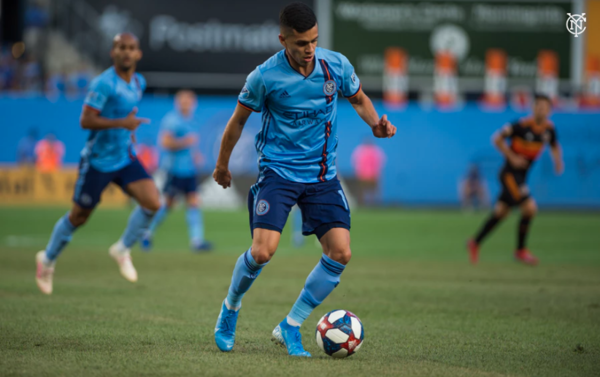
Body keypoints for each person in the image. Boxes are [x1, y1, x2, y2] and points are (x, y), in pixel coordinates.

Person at [212, 3, 396, 357]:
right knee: (263, 251)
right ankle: (230, 309)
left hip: (322, 175)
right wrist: (222, 165)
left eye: (313, 40)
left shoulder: (335, 65)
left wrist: (375, 124)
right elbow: (236, 122)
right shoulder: (264, 77)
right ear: (283, 40)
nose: (309, 49)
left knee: (340, 252)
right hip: (278, 172)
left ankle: (291, 324)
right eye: (300, 43)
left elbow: (358, 98)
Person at [35, 33, 160, 295]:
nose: (126, 52)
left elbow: (125, 114)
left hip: (124, 156)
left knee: (152, 202)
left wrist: (128, 129)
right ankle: (47, 260)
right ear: (113, 52)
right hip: (98, 161)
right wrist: (122, 124)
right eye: (121, 48)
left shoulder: (139, 82)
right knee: (79, 217)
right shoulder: (104, 83)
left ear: (138, 54)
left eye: (131, 48)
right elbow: (86, 121)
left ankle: (122, 248)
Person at [467, 94, 564, 266]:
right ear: (533, 108)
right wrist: (511, 157)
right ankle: (520, 250)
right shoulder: (520, 126)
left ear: (550, 110)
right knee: (530, 208)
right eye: (538, 106)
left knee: (501, 212)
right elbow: (496, 138)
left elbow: (555, 146)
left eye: (544, 107)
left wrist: (558, 161)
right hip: (509, 174)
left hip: (522, 176)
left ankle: (475, 242)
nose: (541, 109)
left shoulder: (549, 129)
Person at [141, 90, 212, 252]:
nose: (188, 105)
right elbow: (165, 143)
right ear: (178, 103)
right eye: (184, 102)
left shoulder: (192, 121)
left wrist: (195, 155)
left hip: (189, 170)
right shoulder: (172, 121)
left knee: (193, 202)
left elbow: (190, 145)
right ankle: (146, 232)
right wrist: (185, 142)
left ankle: (197, 241)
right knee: (167, 204)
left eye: (190, 102)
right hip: (174, 169)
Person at [351, 139, 386, 206]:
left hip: (365, 175)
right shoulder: (375, 151)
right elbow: (380, 162)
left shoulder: (360, 150)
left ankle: (364, 203)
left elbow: (355, 162)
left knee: (364, 191)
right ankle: (370, 203)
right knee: (370, 191)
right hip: (370, 175)